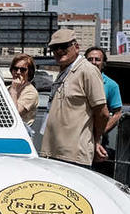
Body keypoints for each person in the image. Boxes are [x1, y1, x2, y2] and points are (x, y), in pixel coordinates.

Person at [39, 28, 108, 167]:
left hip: (73, 156)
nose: (58, 51)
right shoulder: (65, 71)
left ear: (76, 47)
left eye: (64, 46)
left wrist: (96, 140)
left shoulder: (87, 70)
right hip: (52, 152)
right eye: (54, 48)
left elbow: (102, 112)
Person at [85, 46, 124, 132]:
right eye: (90, 59)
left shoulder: (111, 85)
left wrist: (101, 131)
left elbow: (117, 113)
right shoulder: (77, 81)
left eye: (97, 59)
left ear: (103, 64)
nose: (93, 62)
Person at [7, 53, 39, 125]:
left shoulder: (31, 92)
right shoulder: (9, 88)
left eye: (23, 70)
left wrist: (14, 91)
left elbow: (14, 114)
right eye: (15, 69)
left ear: (29, 72)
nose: (18, 72)